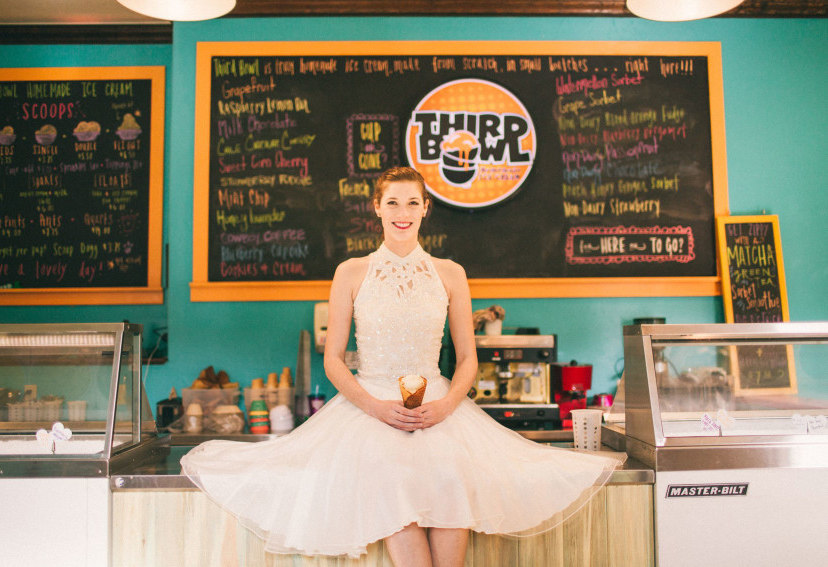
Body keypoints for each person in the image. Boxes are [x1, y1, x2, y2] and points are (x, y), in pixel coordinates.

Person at [181, 166, 625, 566]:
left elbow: (468, 358)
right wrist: (374, 407)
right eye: (392, 201)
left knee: (453, 489)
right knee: (391, 489)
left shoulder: (450, 273)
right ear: (376, 208)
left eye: (412, 202)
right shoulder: (350, 272)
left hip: (440, 409)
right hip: (370, 411)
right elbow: (333, 360)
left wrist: (450, 403)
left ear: (426, 209)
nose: (402, 211)